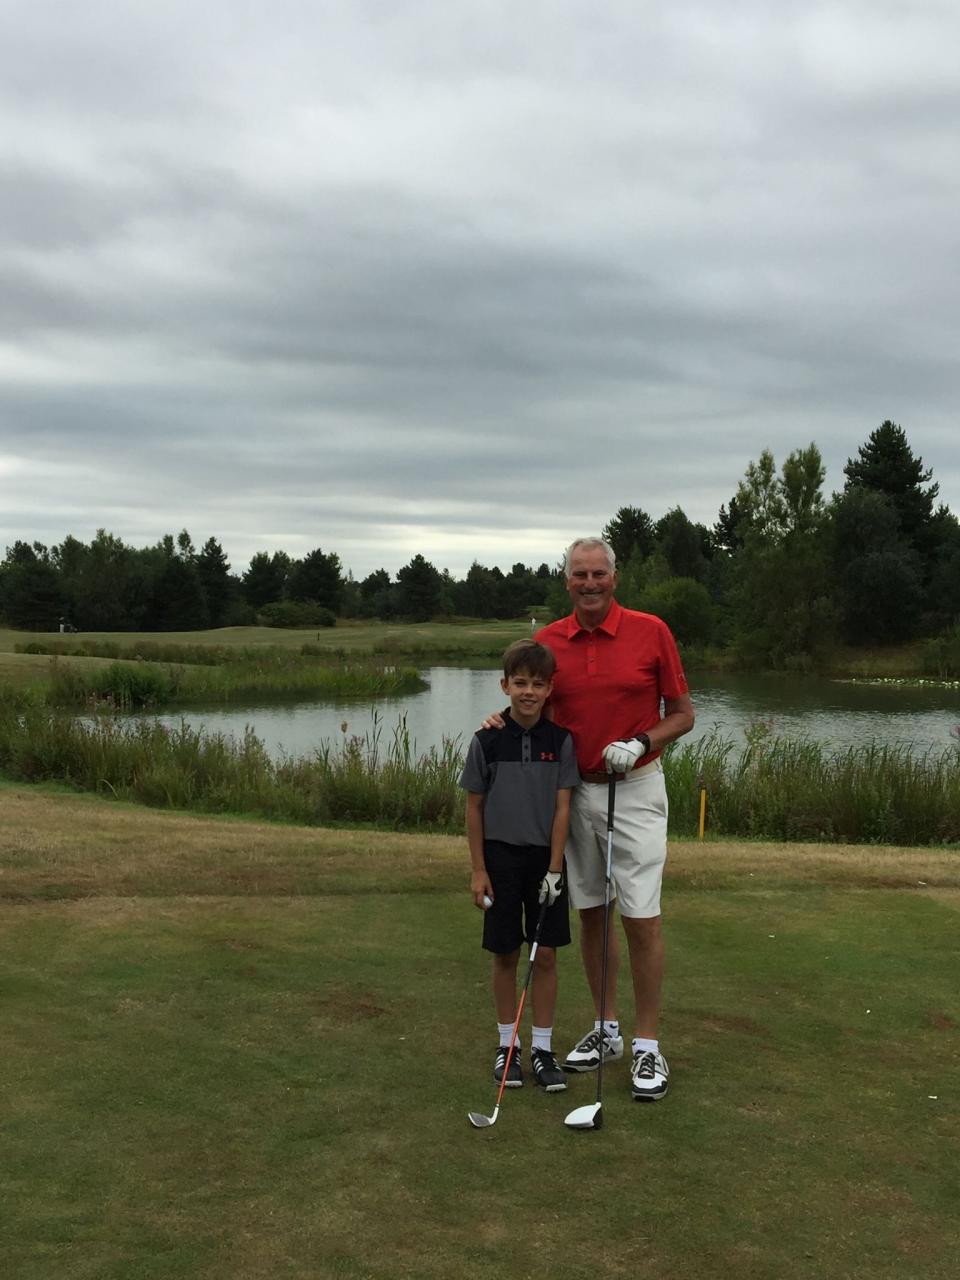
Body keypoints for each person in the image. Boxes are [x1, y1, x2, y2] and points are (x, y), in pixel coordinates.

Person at [484, 537, 695, 1101]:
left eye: (599, 573)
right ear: (567, 581)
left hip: (637, 787)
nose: (590, 583)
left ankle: (648, 1048)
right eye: (580, 574)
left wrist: (642, 739)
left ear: (614, 578)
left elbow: (683, 715)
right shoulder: (549, 641)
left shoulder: (652, 631)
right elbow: (534, 706)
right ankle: (608, 1029)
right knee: (592, 914)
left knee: (641, 916)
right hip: (574, 795)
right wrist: (502, 722)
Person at [460, 639, 581, 1092]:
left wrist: (554, 869)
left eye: (538, 684)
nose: (528, 692)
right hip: (500, 859)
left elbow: (563, 807)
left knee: (545, 955)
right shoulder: (487, 740)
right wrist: (478, 869)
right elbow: (474, 807)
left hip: (544, 861)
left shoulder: (561, 741)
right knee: (506, 952)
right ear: (504, 685)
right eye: (520, 683)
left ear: (550, 689)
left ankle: (543, 1049)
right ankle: (506, 1047)